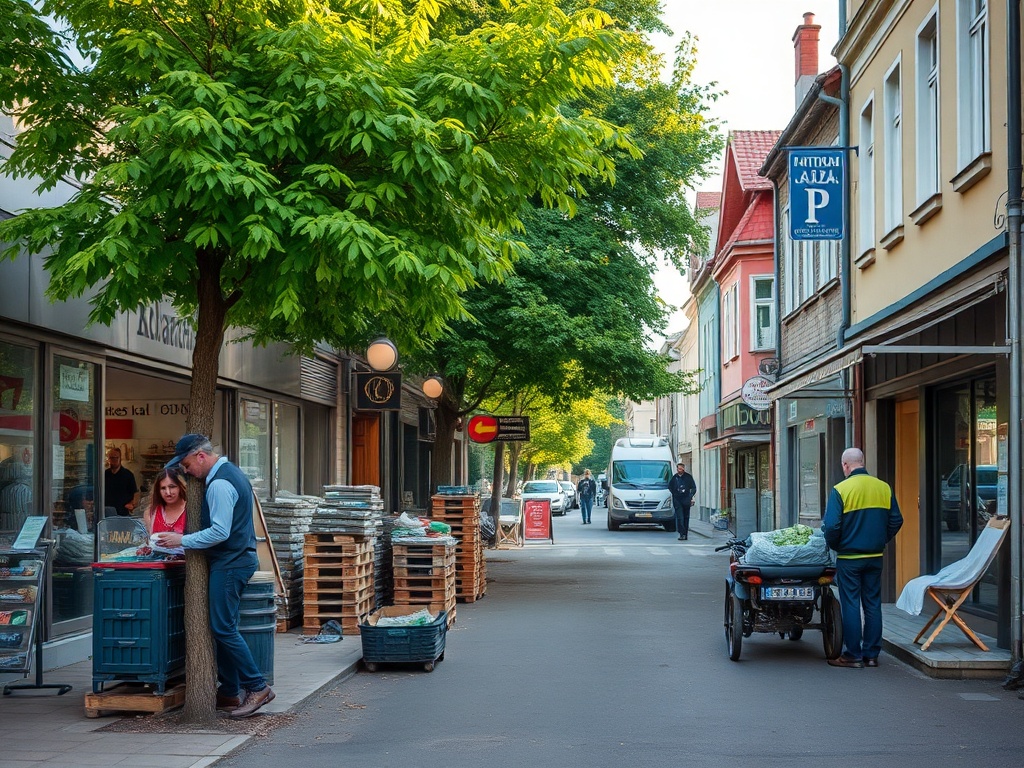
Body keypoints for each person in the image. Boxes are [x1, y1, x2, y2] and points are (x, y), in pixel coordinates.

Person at [152, 434, 275, 718]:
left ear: (201, 456)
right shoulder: (231, 474)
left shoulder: (219, 483)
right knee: (225, 627)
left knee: (223, 628)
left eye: (186, 465)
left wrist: (182, 540)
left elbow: (220, 531)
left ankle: (257, 687)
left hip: (231, 562)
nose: (185, 471)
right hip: (235, 560)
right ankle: (230, 691)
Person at [823, 447, 903, 669]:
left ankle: (853, 655)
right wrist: (881, 539)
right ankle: (872, 655)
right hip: (875, 556)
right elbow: (897, 520)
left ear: (845, 465)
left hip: (849, 557)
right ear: (863, 462)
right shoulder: (883, 487)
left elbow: (831, 526)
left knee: (850, 603)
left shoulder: (841, 490)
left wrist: (837, 545)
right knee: (872, 603)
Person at [144, 468, 187, 536]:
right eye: (163, 488)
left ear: (180, 486)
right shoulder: (151, 512)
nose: (168, 492)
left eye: (172, 487)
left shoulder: (190, 510)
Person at [104, 447, 139, 517]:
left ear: (120, 458)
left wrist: (132, 504)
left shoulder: (128, 475)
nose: (113, 460)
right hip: (107, 513)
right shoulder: (104, 474)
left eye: (115, 458)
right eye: (111, 458)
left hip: (123, 514)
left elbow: (135, 494)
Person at [668, 462, 697, 540]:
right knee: (680, 517)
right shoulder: (674, 478)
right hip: (677, 500)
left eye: (681, 468)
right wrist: (675, 494)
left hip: (686, 499)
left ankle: (685, 534)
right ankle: (681, 534)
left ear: (683, 469)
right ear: (677, 469)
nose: (680, 470)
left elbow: (694, 488)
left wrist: (690, 495)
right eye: (678, 469)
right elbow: (670, 486)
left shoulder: (688, 477)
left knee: (686, 517)